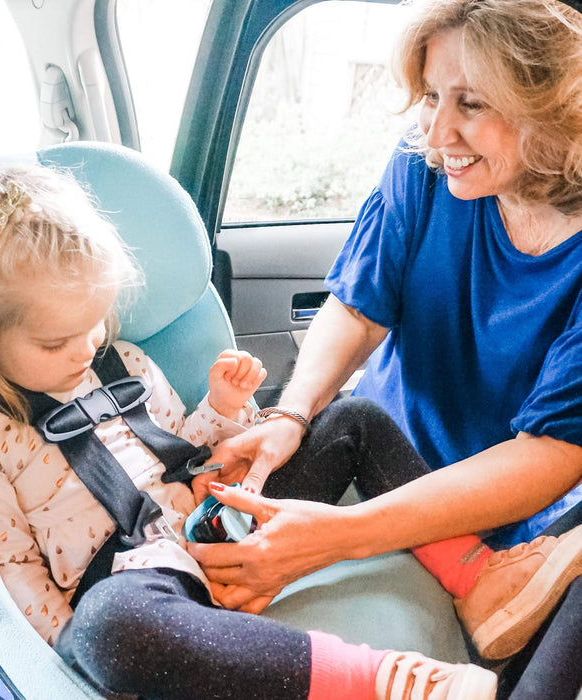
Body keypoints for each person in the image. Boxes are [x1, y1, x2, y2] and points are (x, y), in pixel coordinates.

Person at [0, 163, 502, 700]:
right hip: (141, 585)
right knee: (107, 628)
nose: (86, 346)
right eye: (55, 342)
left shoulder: (124, 364)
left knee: (356, 419)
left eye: (94, 322)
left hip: (219, 527)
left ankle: (483, 581)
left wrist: (222, 407)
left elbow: (188, 452)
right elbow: (13, 572)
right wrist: (70, 656)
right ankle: (386, 680)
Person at [186, 0, 582, 696]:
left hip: (503, 513)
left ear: (554, 110)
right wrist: (290, 415)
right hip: (376, 448)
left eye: (472, 102)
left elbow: (553, 451)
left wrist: (342, 535)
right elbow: (359, 305)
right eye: (431, 95)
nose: (437, 128)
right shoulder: (424, 162)